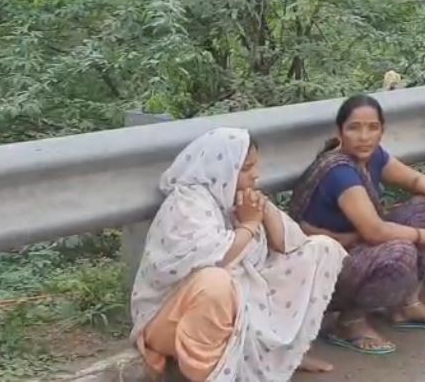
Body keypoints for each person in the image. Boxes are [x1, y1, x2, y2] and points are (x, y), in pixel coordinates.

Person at [130, 129, 344, 381]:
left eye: (255, 166)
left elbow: (288, 243)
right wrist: (249, 225)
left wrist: (262, 210)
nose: (256, 175)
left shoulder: (236, 198)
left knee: (320, 249)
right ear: (222, 169)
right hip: (172, 319)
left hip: (232, 306)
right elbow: (216, 259)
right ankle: (210, 375)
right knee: (216, 282)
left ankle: (284, 356)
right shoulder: (187, 203)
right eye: (246, 168)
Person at [288, 95, 425, 355]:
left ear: (382, 130)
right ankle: (348, 322)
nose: (364, 136)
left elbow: (414, 180)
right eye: (354, 128)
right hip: (323, 269)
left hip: (355, 248)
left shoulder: (373, 157)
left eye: (372, 128)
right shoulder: (340, 172)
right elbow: (374, 231)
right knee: (401, 252)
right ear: (340, 132)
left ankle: (406, 304)